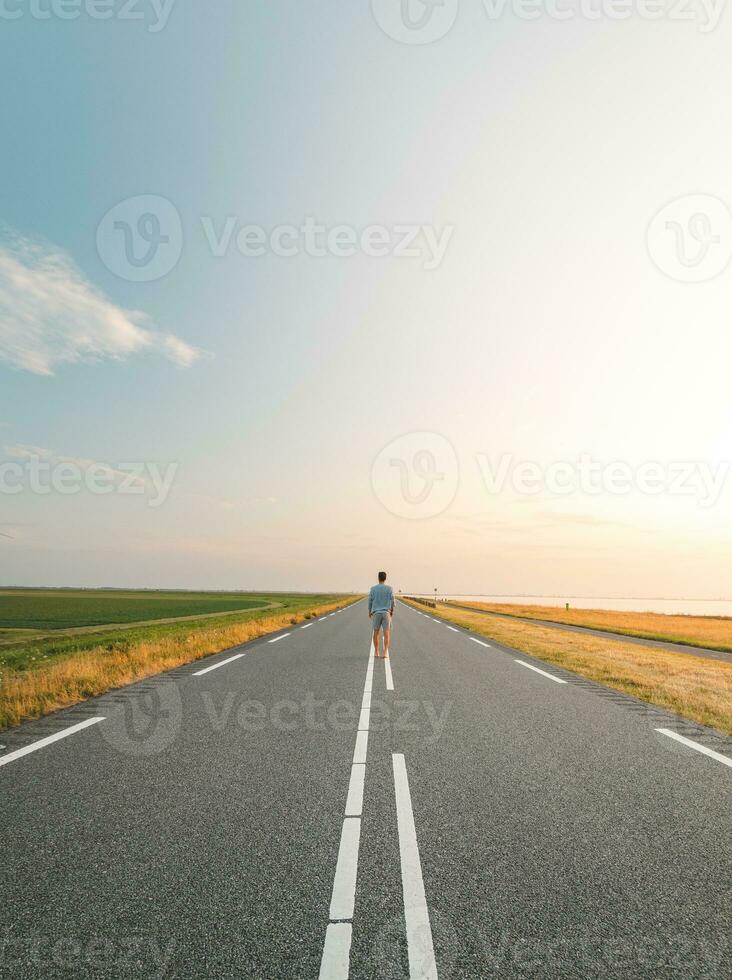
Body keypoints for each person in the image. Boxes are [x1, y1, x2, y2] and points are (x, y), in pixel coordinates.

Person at [368, 571, 394, 659]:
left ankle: (376, 651)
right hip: (386, 613)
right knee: (386, 633)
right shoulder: (390, 589)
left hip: (376, 613)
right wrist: (391, 612)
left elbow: (370, 601)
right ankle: (385, 652)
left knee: (376, 632)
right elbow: (393, 601)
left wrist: (369, 611)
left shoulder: (373, 589)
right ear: (385, 578)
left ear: (378, 578)